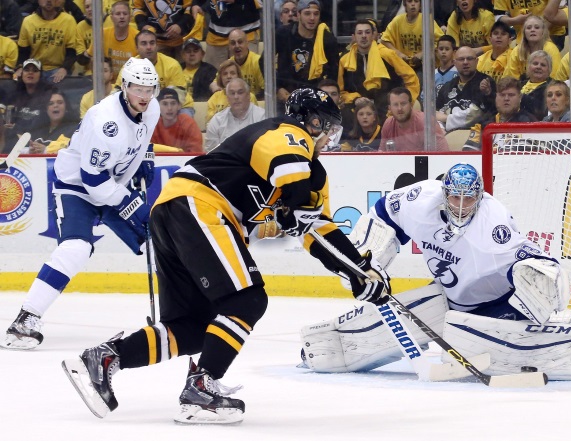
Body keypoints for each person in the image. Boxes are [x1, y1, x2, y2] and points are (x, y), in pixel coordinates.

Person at [61, 87, 391, 424]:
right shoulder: (286, 132)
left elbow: (320, 232)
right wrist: (292, 204)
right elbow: (288, 174)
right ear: (313, 120)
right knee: (247, 300)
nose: (329, 140)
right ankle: (201, 389)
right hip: (198, 205)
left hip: (178, 209)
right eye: (329, 130)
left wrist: (359, 270)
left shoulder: (313, 176)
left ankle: (104, 358)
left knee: (191, 328)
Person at [298, 163, 571, 382]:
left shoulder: (494, 224)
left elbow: (542, 268)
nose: (460, 206)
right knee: (391, 319)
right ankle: (325, 347)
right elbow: (384, 212)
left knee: (463, 337)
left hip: (497, 307)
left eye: (468, 199)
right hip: (449, 297)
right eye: (454, 197)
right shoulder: (420, 200)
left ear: (480, 196)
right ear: (444, 192)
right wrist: (365, 262)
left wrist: (534, 298)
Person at [1, 57, 160, 350]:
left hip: (112, 183)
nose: (145, 96)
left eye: (150, 89)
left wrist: (144, 159)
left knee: (158, 235)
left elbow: (144, 137)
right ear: (124, 86)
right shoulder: (105, 122)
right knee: (76, 247)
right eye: (138, 88)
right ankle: (25, 319)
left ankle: (181, 312)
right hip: (77, 187)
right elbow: (94, 182)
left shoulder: (152, 106)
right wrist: (129, 202)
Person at [339, 19, 420, 123]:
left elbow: (411, 79)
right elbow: (341, 92)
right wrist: (355, 99)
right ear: (353, 37)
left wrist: (404, 103)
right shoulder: (345, 60)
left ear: (373, 35)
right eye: (359, 33)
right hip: (359, 112)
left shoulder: (388, 55)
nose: (364, 36)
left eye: (367, 32)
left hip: (388, 112)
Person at [275, 0, 340, 112]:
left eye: (316, 14)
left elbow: (333, 75)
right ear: (298, 14)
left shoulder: (327, 40)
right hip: (286, 97)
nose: (312, 18)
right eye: (307, 13)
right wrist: (277, 88)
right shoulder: (283, 34)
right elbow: (263, 62)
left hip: (315, 100)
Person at [116, 30, 195, 117]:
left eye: (152, 43)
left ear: (157, 46)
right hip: (143, 108)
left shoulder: (172, 65)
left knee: (183, 118)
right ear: (136, 48)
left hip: (178, 107)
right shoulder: (129, 67)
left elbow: (179, 95)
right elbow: (117, 92)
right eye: (144, 43)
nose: (149, 47)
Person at [464, 76, 537, 151]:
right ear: (496, 97)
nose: (506, 99)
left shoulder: (529, 122)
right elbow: (468, 152)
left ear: (520, 97)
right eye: (502, 95)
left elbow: (524, 155)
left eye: (511, 95)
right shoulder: (482, 124)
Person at [436, 46, 496, 133]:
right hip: (447, 136)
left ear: (476, 61)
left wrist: (446, 118)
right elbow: (436, 115)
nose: (465, 62)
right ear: (454, 63)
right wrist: (441, 130)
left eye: (470, 59)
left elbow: (476, 115)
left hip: (476, 137)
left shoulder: (486, 83)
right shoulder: (447, 87)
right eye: (461, 59)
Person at [16, 0, 77, 83]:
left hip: (58, 68)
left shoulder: (68, 20)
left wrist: (65, 68)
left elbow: (72, 51)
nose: (49, 1)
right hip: (34, 68)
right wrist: (20, 67)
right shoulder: (28, 21)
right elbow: (23, 51)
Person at [380, 0, 443, 81]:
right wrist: (398, 54)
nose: (413, 4)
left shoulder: (427, 20)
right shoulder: (397, 20)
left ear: (420, 5)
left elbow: (440, 41)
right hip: (402, 65)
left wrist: (423, 54)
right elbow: (384, 40)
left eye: (416, 1)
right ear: (405, 5)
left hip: (424, 66)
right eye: (410, 1)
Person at [2, 58, 52, 152]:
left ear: (40, 75)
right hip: (13, 143)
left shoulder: (49, 95)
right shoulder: (14, 95)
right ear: (22, 74)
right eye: (27, 70)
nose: (30, 73)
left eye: (35, 70)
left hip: (37, 144)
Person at [82, 1, 139, 80]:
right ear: (111, 17)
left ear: (130, 17)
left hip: (130, 83)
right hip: (107, 83)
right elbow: (92, 58)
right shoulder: (102, 34)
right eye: (118, 14)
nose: (122, 17)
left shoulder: (138, 37)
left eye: (125, 14)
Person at [381, 86, 449, 152]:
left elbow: (443, 153)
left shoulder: (425, 122)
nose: (399, 108)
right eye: (395, 104)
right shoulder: (388, 124)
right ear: (389, 108)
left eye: (403, 104)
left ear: (411, 105)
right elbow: (381, 155)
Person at [198, 0, 261, 70]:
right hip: (216, 36)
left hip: (246, 33)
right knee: (212, 76)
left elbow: (263, 3)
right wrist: (196, 4)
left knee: (246, 77)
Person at [204, 78, 265, 151]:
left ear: (248, 95)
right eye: (232, 93)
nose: (236, 97)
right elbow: (210, 153)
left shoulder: (263, 117)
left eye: (240, 92)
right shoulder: (217, 121)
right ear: (227, 98)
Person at [503, 15, 561, 81]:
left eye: (537, 27)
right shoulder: (517, 50)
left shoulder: (551, 49)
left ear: (543, 31)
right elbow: (511, 78)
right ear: (524, 32)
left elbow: (555, 78)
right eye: (529, 28)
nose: (532, 30)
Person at [152, 87, 203, 153]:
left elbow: (196, 152)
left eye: (173, 103)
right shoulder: (153, 126)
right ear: (157, 106)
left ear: (179, 106)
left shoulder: (188, 123)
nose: (169, 108)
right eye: (165, 104)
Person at [28, 89, 79, 154]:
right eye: (50, 103)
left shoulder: (75, 129)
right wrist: (30, 151)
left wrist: (46, 150)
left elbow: (73, 151)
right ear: (46, 109)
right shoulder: (38, 128)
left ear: (66, 108)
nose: (55, 106)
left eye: (60, 102)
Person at [519, 50, 553, 122]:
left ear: (549, 70)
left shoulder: (551, 88)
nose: (538, 67)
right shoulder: (519, 85)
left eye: (543, 65)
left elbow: (540, 111)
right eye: (535, 63)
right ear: (528, 67)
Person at [181, 37, 217, 102]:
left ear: (202, 54)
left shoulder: (210, 71)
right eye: (188, 51)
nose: (192, 54)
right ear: (183, 55)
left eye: (195, 51)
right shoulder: (176, 69)